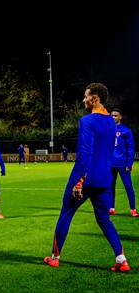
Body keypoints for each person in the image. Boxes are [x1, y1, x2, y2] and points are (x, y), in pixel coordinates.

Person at [44, 83, 130, 272]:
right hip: (104, 179)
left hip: (85, 177)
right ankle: (122, 259)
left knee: (66, 213)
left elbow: (85, 153)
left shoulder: (87, 121)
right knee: (104, 219)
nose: (83, 100)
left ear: (94, 98)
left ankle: (55, 257)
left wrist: (79, 181)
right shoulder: (111, 122)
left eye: (85, 96)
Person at [109, 108, 138, 217]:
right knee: (110, 186)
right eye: (112, 115)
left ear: (120, 117)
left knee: (128, 186)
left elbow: (131, 148)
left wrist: (129, 163)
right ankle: (111, 208)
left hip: (122, 163)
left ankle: (133, 209)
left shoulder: (126, 130)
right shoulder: (108, 130)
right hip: (111, 164)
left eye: (115, 115)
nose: (113, 117)